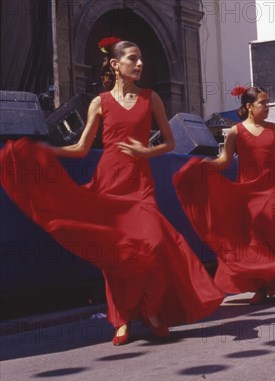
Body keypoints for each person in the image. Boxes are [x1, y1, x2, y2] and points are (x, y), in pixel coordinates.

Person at [0, 38, 224, 346]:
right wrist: (45, 153)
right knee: (116, 253)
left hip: (140, 184)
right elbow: (81, 148)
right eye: (133, 58)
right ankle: (122, 319)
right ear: (116, 65)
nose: (140, 63)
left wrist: (145, 151)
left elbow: (170, 143)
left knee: (155, 243)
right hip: (109, 183)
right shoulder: (100, 102)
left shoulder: (151, 98)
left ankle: (152, 310)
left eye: (141, 58)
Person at [173, 86, 275, 305]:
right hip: (247, 191)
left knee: (267, 222)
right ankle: (263, 285)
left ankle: (273, 277)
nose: (267, 107)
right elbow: (224, 161)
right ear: (249, 107)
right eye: (263, 103)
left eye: (268, 103)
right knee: (254, 234)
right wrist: (205, 166)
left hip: (270, 190)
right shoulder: (236, 131)